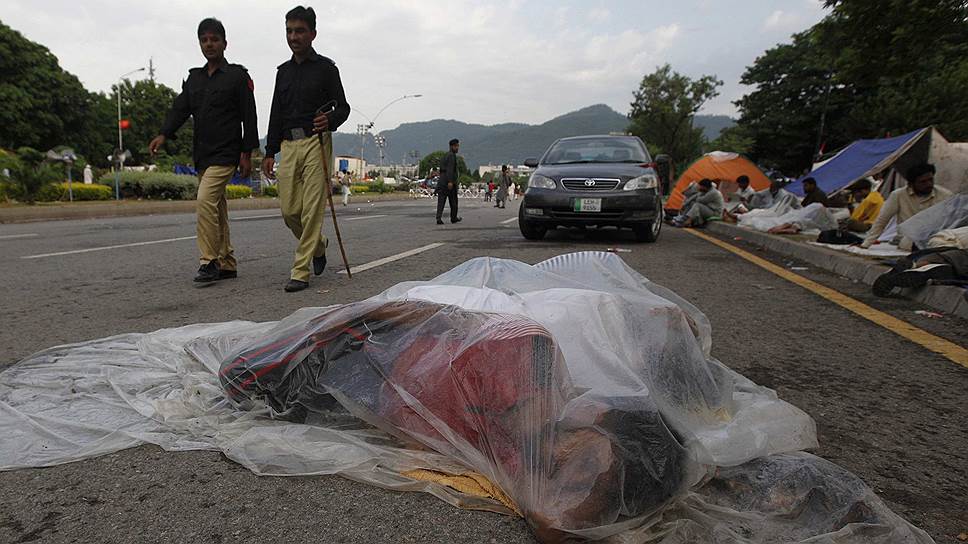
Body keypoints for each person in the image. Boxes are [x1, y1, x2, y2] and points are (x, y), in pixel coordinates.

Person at [149, 17, 258, 285]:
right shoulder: (194, 78)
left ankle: (208, 261)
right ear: (200, 43)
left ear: (224, 43)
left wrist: (247, 154)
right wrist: (164, 133)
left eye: (214, 39)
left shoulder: (237, 77)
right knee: (217, 207)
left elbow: (249, 116)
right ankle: (227, 262)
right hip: (203, 154)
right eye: (204, 40)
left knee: (205, 199)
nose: (209, 44)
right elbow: (180, 109)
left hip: (226, 153)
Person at [262, 6, 351, 293]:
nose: (293, 36)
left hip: (316, 142)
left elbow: (343, 107)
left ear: (312, 33)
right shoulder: (282, 72)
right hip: (288, 145)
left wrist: (331, 119)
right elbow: (276, 112)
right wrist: (269, 151)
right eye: (289, 31)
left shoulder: (327, 69)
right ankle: (318, 245)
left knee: (312, 209)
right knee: (290, 211)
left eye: (299, 31)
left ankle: (300, 271)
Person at [861, 163, 953, 250]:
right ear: (911, 184)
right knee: (911, 242)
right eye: (923, 182)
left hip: (936, 239)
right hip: (909, 240)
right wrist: (866, 244)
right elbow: (882, 221)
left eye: (930, 180)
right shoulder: (898, 195)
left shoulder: (945, 195)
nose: (929, 184)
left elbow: (953, 221)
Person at [436, 139, 461, 224]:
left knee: (441, 201)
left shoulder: (445, 155)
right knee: (453, 201)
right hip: (449, 181)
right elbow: (450, 169)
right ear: (452, 146)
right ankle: (453, 218)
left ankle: (438, 218)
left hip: (442, 180)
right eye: (456, 146)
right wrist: (450, 181)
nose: (457, 148)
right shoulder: (452, 156)